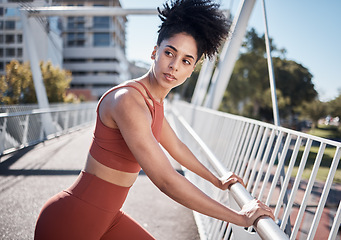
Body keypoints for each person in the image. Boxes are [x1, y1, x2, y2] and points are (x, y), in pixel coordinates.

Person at [34, 0, 275, 239]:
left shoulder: (154, 102)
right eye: (169, 52)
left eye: (185, 61)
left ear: (193, 69)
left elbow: (177, 147)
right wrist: (241, 217)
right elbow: (166, 180)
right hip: (72, 221)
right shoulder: (129, 100)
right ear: (154, 52)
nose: (174, 66)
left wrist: (217, 179)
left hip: (107, 219)